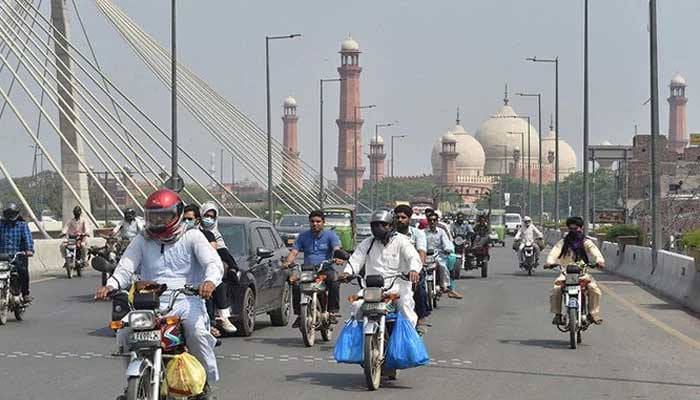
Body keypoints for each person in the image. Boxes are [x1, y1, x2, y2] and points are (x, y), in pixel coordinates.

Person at [95, 189, 223, 399]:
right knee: (124, 332)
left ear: (177, 214)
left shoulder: (192, 236)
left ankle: (204, 383)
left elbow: (212, 262)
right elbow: (125, 268)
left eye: (163, 215)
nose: (158, 220)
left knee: (197, 333)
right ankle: (133, 383)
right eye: (153, 216)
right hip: (148, 302)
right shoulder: (142, 239)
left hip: (186, 299)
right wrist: (110, 285)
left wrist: (209, 281)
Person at [339, 208, 421, 326]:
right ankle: (359, 341)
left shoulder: (402, 241)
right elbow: (356, 259)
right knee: (356, 307)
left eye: (383, 225)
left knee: (405, 307)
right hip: (373, 289)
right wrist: (347, 273)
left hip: (398, 286)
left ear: (391, 226)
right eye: (375, 225)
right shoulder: (367, 243)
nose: (379, 228)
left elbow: (412, 257)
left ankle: (409, 338)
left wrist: (413, 270)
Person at [283, 210, 342, 328]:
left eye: (318, 221)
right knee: (295, 283)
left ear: (323, 223)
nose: (315, 224)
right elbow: (294, 252)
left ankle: (332, 312)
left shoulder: (331, 235)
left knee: (334, 280)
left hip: (325, 269)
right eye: (312, 221)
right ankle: (300, 315)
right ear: (309, 223)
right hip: (308, 270)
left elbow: (336, 249)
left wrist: (338, 258)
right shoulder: (303, 236)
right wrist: (287, 262)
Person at [545, 216, 604, 325]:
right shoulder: (563, 243)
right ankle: (557, 315)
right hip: (565, 274)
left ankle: (593, 314)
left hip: (582, 274)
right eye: (571, 229)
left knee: (594, 289)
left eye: (575, 228)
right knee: (556, 289)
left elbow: (595, 251)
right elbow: (554, 252)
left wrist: (599, 261)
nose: (573, 231)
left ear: (581, 228)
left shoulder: (586, 242)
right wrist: (549, 262)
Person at [199, 202, 240, 335]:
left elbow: (223, 253)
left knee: (216, 285)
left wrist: (233, 267)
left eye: (212, 216)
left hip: (207, 270)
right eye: (206, 215)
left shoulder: (214, 235)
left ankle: (220, 318)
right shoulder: (191, 233)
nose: (209, 219)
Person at [394, 205, 429, 333]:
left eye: (403, 217)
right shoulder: (389, 234)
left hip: (412, 270)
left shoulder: (418, 234)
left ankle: (420, 319)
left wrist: (416, 270)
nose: (400, 220)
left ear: (409, 219)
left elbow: (421, 252)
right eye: (397, 217)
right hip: (392, 270)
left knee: (419, 289)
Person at [0, 203, 34, 303]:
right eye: (8, 213)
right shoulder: (1, 225)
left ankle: (25, 294)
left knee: (23, 271)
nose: (10, 215)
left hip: (18, 257)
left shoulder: (22, 225)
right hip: (3, 257)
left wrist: (29, 250)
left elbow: (28, 239)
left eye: (12, 213)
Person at [424, 212, 462, 299]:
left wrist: (447, 249)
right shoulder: (423, 232)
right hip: (425, 256)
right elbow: (420, 243)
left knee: (443, 266)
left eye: (434, 220)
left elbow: (446, 242)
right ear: (428, 221)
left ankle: (445, 286)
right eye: (430, 220)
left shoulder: (441, 232)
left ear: (437, 221)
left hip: (438, 255)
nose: (432, 222)